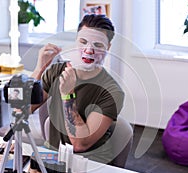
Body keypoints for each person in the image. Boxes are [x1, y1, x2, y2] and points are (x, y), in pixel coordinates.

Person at [31, 14, 125, 164]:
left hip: (89, 164)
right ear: (76, 41)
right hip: (54, 158)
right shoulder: (57, 71)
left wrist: (67, 95)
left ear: (108, 47)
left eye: (98, 45)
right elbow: (22, 110)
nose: (89, 51)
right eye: (83, 42)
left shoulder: (112, 92)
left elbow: (80, 144)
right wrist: (39, 68)